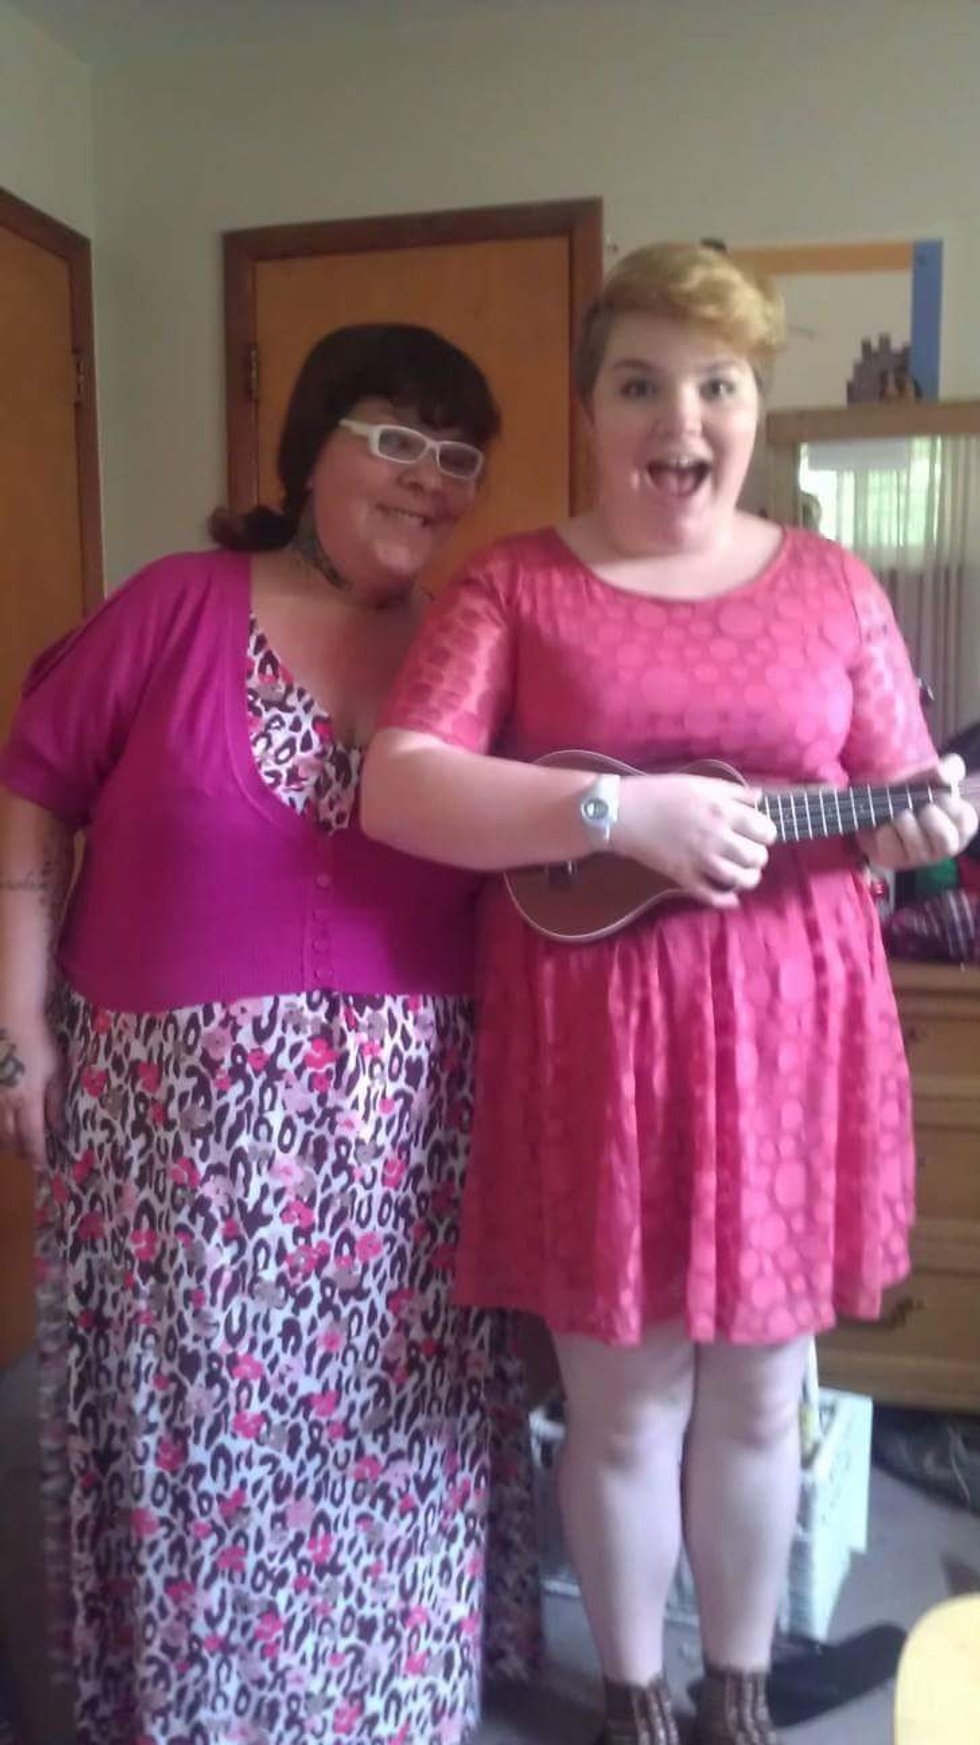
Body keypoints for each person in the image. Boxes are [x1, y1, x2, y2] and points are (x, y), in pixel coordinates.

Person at [361, 246, 979, 1745]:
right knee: (625, 1402)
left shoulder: (833, 586)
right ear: (590, 409)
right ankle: (635, 1694)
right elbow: (403, 784)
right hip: (598, 1048)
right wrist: (616, 815)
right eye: (640, 384)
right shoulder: (514, 583)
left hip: (792, 1038)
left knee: (765, 1395)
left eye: (717, 385)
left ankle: (738, 1688)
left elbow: (897, 796)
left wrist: (921, 833)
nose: (679, 418)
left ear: (755, 408)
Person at [0, 323, 540, 1745]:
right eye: (395, 439)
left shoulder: (471, 643)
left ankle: (391, 1709)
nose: (428, 479)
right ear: (306, 451)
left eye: (457, 455)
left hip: (406, 1157)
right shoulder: (173, 605)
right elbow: (35, 787)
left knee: (393, 1447)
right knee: (206, 1466)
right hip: (178, 1157)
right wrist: (18, 1020)